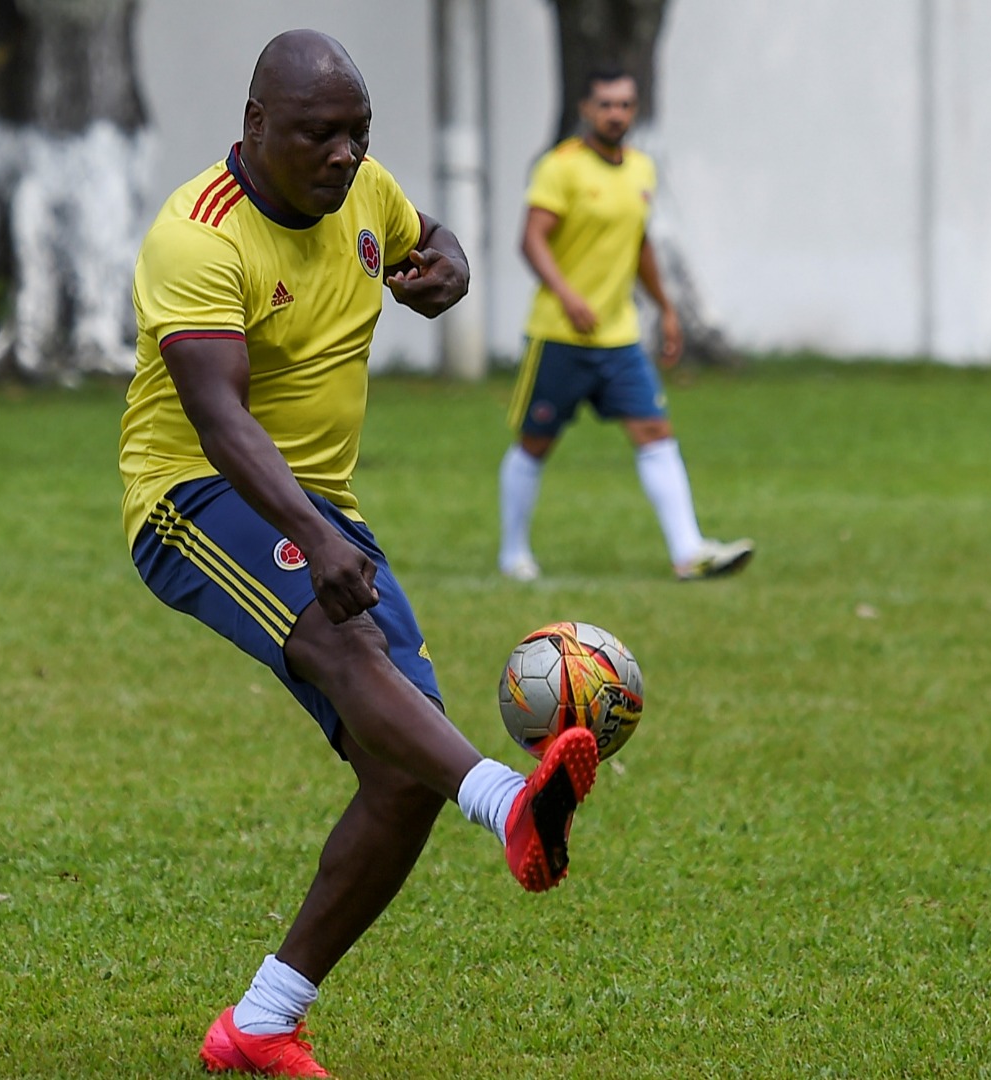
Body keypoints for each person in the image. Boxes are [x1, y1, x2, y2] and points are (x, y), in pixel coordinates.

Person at [120, 31, 601, 1078]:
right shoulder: (197, 238)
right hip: (196, 501)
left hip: (318, 508)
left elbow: (436, 238)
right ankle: (510, 803)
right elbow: (220, 423)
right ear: (254, 129)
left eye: (358, 133)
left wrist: (450, 272)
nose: (344, 156)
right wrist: (310, 536)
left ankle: (259, 1023)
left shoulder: (366, 193)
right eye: (316, 135)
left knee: (399, 775)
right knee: (352, 657)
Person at [499, 68, 754, 582]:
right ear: (587, 110)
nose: (616, 114)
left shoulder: (641, 169)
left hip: (618, 335)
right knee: (536, 442)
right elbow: (532, 240)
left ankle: (689, 552)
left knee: (655, 430)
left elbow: (638, 246)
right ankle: (513, 553)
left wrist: (666, 307)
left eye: (625, 105)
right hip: (560, 335)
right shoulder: (560, 167)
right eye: (606, 105)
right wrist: (568, 296)